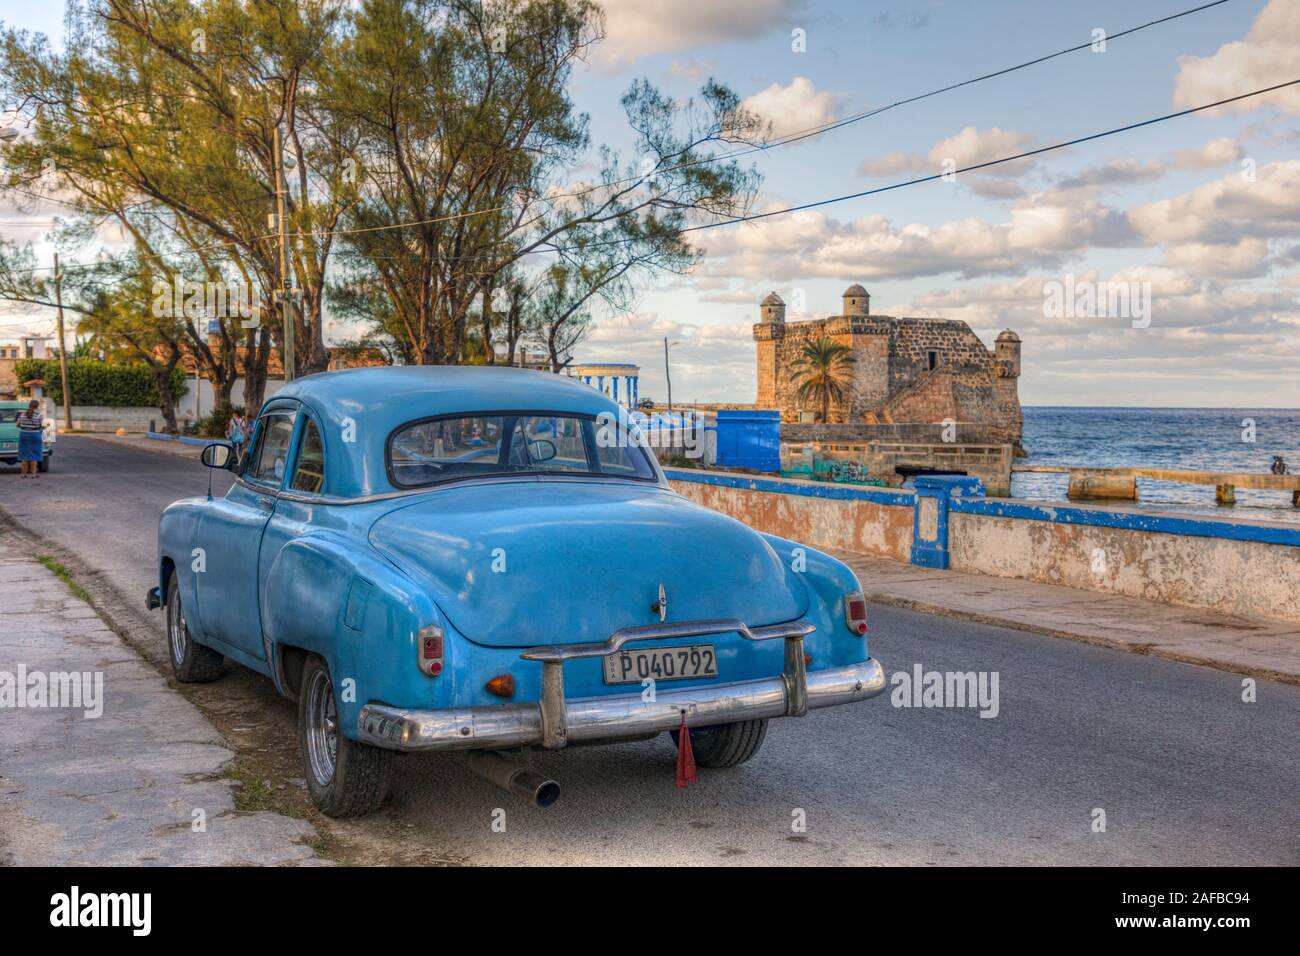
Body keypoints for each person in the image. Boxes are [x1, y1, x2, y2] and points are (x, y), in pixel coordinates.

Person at [16, 400, 43, 479]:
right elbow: (43, 426)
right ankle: (33, 474)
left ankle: (23, 474)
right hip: (35, 435)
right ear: (37, 406)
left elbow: (17, 425)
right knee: (34, 455)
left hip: (24, 435)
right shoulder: (39, 415)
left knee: (24, 455)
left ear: (29, 405)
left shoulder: (22, 414)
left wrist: (24, 425)